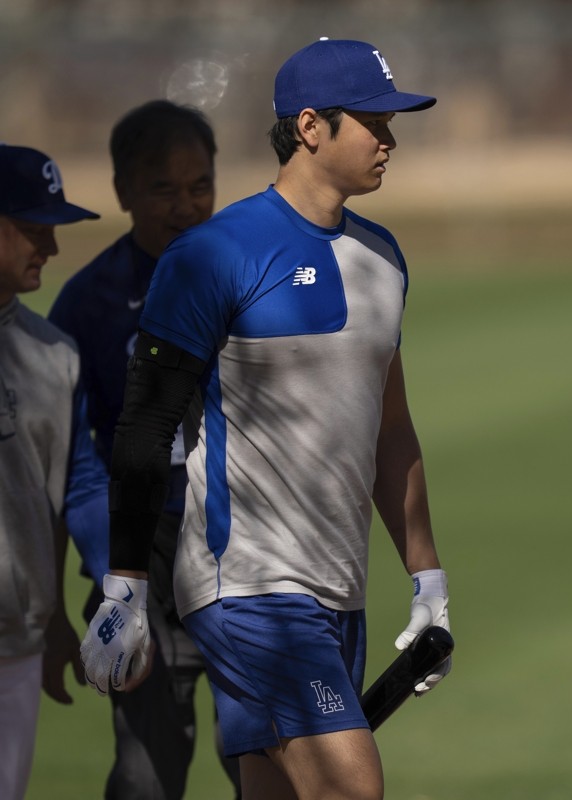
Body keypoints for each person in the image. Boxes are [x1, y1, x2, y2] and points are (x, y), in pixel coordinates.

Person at [79, 38, 450, 800]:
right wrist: (124, 583)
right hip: (246, 587)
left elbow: (394, 429)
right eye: (372, 122)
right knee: (352, 788)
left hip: (339, 592)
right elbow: (146, 426)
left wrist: (427, 576)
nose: (389, 140)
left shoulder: (384, 258)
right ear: (310, 127)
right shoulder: (212, 254)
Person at [48, 99, 241, 799]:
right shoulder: (86, 305)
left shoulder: (252, 281)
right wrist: (111, 575)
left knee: (267, 759)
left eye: (200, 186)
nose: (186, 206)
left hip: (240, 549)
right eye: (163, 189)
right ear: (123, 191)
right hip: (139, 553)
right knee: (145, 773)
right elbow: (75, 463)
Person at [0, 143, 100, 800]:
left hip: (16, 640)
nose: (52, 248)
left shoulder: (54, 354)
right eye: (35, 229)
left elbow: (72, 489)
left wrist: (72, 608)